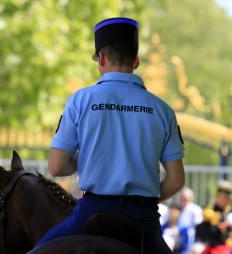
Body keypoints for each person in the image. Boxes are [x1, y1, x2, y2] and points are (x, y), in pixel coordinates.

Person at [35, 17, 185, 254]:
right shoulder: (162, 109)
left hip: (91, 212)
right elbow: (176, 181)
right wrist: (145, 200)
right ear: (136, 61)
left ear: (101, 58)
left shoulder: (81, 100)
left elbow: (55, 167)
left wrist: (78, 162)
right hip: (143, 217)